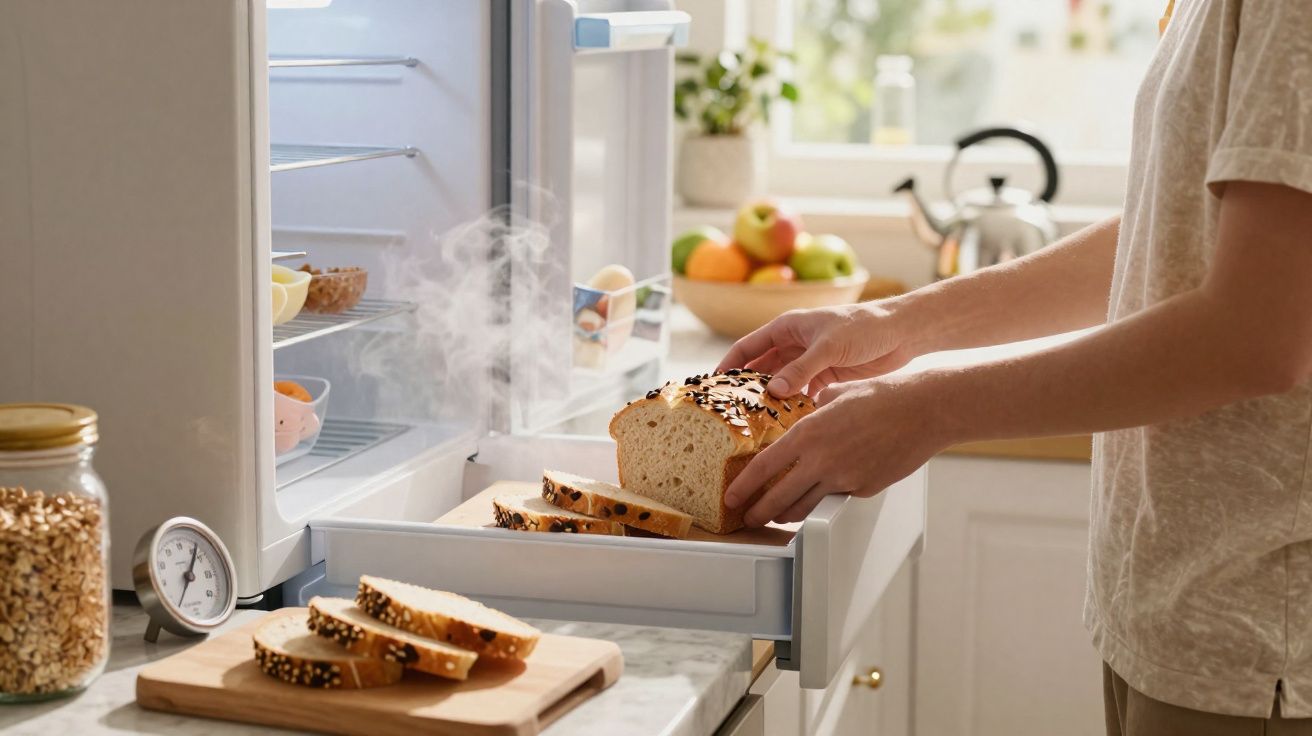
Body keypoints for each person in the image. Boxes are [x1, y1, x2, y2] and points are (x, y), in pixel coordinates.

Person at [716, 1, 1312, 733]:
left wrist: (928, 408)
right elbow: (1176, 226)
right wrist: (897, 323)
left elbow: (1252, 335)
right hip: (1176, 613)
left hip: (1262, 642)